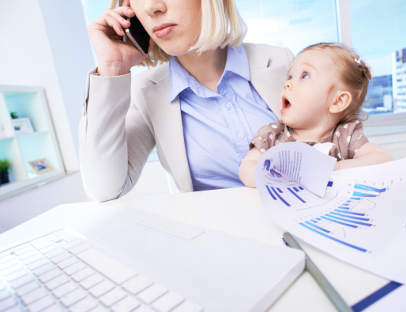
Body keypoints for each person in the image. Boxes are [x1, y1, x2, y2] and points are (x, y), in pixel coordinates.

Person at [81, 0, 294, 201]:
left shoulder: (284, 63)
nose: (152, 7)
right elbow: (105, 188)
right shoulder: (144, 93)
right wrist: (111, 68)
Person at [239, 43, 393, 187]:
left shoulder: (345, 135)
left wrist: (335, 168)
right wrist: (276, 177)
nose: (287, 83)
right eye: (290, 77)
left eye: (304, 75)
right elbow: (246, 168)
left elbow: (383, 160)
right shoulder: (273, 133)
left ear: (338, 101)